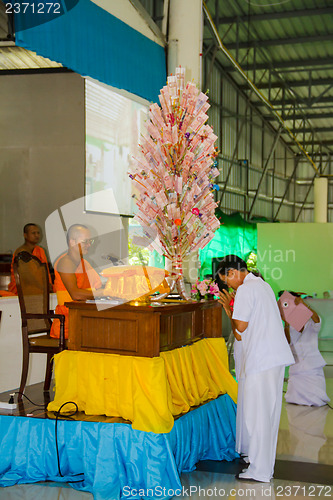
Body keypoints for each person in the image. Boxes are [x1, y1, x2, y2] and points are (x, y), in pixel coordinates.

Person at [217, 255, 294, 483]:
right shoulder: (263, 285)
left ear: (232, 272)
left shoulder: (246, 290)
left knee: (257, 415)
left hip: (261, 360)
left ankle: (259, 471)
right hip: (272, 359)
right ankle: (262, 466)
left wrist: (230, 313)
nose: (228, 286)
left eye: (226, 281)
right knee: (267, 415)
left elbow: (240, 328)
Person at [50, 224, 104, 339]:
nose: (89, 245)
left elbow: (96, 288)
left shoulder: (84, 263)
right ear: (72, 241)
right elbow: (76, 294)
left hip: (84, 315)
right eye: (85, 242)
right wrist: (106, 292)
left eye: (90, 241)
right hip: (69, 321)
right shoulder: (65, 262)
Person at [282, 292, 329, 407]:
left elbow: (317, 320)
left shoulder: (311, 323)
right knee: (293, 401)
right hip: (297, 370)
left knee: (316, 400)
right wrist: (286, 324)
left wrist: (304, 305)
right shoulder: (291, 326)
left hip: (312, 367)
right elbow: (288, 342)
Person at [8, 223, 52, 294]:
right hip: (23, 290)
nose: (37, 235)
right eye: (33, 233)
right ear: (25, 235)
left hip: (41, 288)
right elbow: (27, 277)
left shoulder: (40, 250)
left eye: (38, 233)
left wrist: (48, 286)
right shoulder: (21, 252)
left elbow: (45, 271)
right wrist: (44, 288)